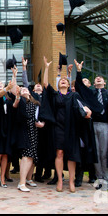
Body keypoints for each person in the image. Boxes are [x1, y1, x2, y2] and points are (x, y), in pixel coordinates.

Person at [74, 59, 108, 190]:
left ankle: (107, 180)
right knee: (95, 153)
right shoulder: (90, 94)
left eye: (100, 78)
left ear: (104, 82)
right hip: (92, 126)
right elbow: (79, 87)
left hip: (105, 127)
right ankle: (100, 179)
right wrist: (79, 71)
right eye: (96, 78)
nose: (98, 78)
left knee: (105, 153)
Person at [42, 56, 92, 193]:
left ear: (69, 84)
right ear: (59, 84)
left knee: (72, 155)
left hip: (72, 128)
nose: (63, 81)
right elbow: (45, 84)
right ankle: (59, 179)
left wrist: (87, 110)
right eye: (61, 81)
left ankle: (71, 181)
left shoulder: (74, 96)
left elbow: (83, 107)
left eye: (65, 80)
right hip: (58, 127)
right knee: (59, 153)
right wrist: (46, 68)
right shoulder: (55, 95)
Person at [15, 86, 44, 192]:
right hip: (24, 130)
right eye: (22, 90)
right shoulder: (21, 101)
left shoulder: (35, 102)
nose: (24, 90)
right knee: (26, 155)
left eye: (26, 89)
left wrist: (41, 122)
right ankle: (21, 183)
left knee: (32, 156)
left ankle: (28, 179)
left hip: (34, 131)